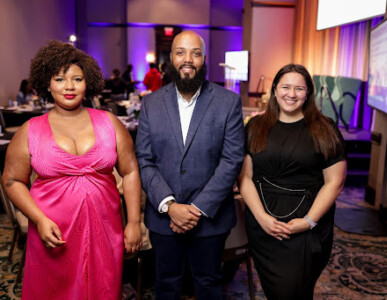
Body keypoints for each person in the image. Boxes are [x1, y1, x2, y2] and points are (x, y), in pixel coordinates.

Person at [2, 40, 142, 299]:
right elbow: (11, 181)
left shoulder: (110, 123)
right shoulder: (29, 130)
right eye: (60, 79)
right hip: (52, 232)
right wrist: (40, 220)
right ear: (47, 83)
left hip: (104, 228)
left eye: (77, 79)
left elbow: (131, 171)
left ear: (87, 82)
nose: (69, 86)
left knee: (103, 289)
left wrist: (133, 222)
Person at [135, 30, 245, 299]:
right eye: (181, 52)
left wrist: (196, 209)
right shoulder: (150, 104)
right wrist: (171, 206)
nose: (188, 59)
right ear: (171, 58)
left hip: (210, 218)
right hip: (163, 219)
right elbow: (145, 160)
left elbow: (232, 160)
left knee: (208, 284)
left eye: (195, 53)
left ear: (204, 59)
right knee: (166, 284)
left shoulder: (228, 102)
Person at [238, 63, 347, 299]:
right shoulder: (255, 127)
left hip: (307, 229)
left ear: (308, 92)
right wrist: (262, 218)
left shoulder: (324, 128)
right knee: (275, 291)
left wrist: (308, 222)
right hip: (263, 227)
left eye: (299, 88)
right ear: (275, 89)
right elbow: (245, 178)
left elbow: (334, 182)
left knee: (294, 291)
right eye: (285, 87)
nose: (291, 94)